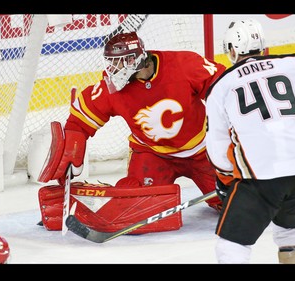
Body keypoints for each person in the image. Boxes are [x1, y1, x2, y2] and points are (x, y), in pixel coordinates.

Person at [38, 31, 226, 213]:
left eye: (118, 62)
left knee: (230, 200)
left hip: (203, 150)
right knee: (136, 205)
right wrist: (72, 148)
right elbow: (81, 118)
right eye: (111, 62)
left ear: (133, 60)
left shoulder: (183, 65)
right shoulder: (112, 88)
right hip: (152, 154)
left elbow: (225, 88)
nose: (112, 69)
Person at [205, 18, 295, 264]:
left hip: (261, 179)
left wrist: (227, 179)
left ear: (231, 50)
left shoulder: (221, 86)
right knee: (290, 235)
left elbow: (217, 148)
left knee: (232, 247)